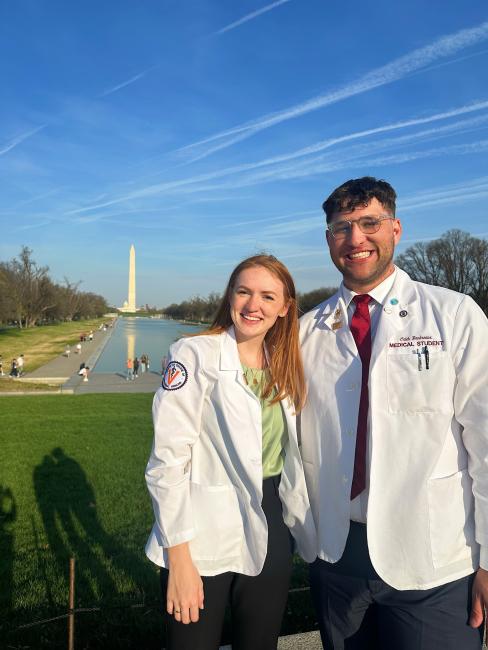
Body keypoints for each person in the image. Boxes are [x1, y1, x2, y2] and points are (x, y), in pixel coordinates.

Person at [299, 176, 488, 650]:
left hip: (434, 560)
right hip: (336, 557)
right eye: (342, 227)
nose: (356, 238)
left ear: (396, 229)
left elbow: (485, 442)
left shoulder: (455, 315)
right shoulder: (306, 332)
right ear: (328, 240)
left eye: (369, 223)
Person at [145, 254, 316, 650]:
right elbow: (167, 462)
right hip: (201, 529)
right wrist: (181, 561)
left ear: (285, 307)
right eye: (244, 291)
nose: (253, 305)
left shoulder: (285, 362)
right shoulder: (194, 354)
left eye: (268, 296)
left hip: (272, 521)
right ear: (230, 296)